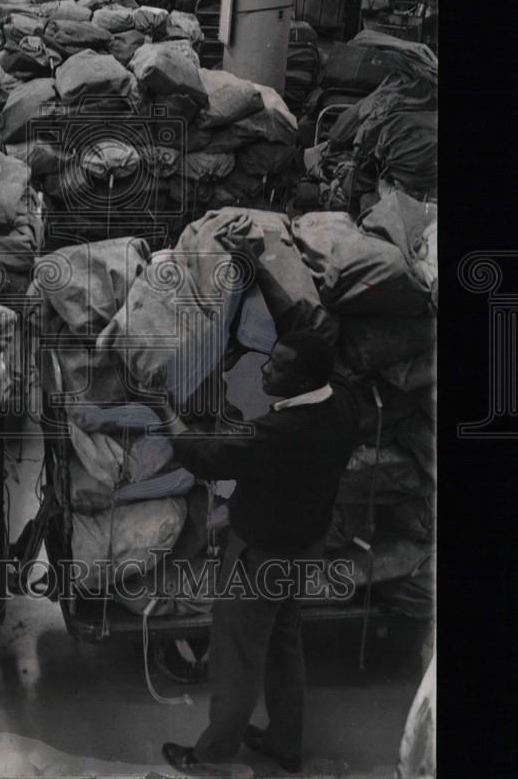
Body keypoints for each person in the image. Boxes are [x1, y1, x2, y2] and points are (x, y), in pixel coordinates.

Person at [154, 319, 362, 774]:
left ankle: (211, 760)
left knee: (236, 658)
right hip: (304, 545)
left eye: (277, 367)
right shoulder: (344, 402)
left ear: (304, 381)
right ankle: (285, 743)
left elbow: (205, 458)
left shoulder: (277, 433)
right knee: (284, 643)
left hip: (260, 557)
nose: (265, 370)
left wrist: (165, 412)